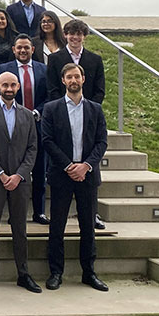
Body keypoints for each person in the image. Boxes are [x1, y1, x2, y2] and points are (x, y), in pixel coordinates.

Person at [42, 63, 109, 292]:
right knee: (57, 226)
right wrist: (70, 166)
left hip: (88, 176)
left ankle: (89, 272)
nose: (73, 80)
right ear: (63, 81)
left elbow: (102, 142)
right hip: (62, 175)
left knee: (88, 226)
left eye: (77, 76)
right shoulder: (51, 109)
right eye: (69, 77)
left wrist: (86, 166)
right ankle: (55, 272)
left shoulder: (95, 109)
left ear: (83, 79)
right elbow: (47, 141)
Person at [0, 71, 41, 294]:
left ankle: (23, 273)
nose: (9, 88)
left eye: (13, 84)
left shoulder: (27, 115)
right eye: (5, 84)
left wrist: (19, 175)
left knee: (20, 228)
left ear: (18, 87)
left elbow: (33, 148)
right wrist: (2, 174)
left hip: (20, 181)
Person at [0, 35, 50, 224]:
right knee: (14, 169)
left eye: (26, 48)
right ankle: (15, 213)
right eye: (19, 47)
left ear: (32, 49)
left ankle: (39, 212)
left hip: (38, 124)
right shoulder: (4, 70)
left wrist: (37, 111)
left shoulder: (43, 70)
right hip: (12, 126)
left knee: (38, 170)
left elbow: (50, 96)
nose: (23, 51)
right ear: (13, 49)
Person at [47, 18, 106, 104]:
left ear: (84, 36)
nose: (75, 37)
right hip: (62, 110)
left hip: (89, 110)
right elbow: (52, 88)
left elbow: (99, 89)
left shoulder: (95, 60)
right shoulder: (54, 59)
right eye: (71, 34)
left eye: (79, 34)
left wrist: (90, 108)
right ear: (65, 35)